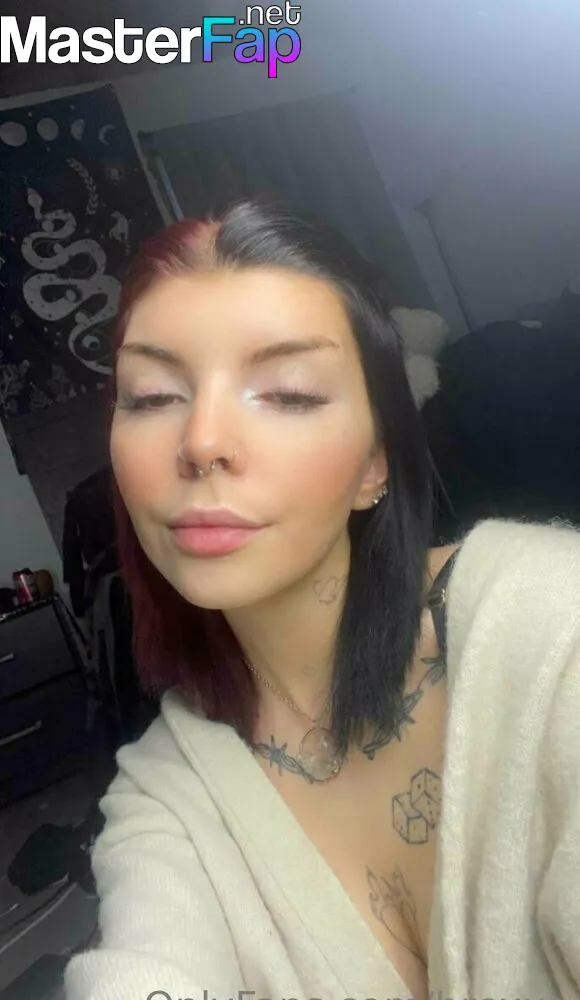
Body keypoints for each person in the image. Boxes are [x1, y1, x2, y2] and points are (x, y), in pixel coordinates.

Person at [65, 199, 580, 1000]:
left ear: (375, 462)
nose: (200, 443)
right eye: (154, 396)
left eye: (289, 393)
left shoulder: (554, 624)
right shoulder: (167, 791)